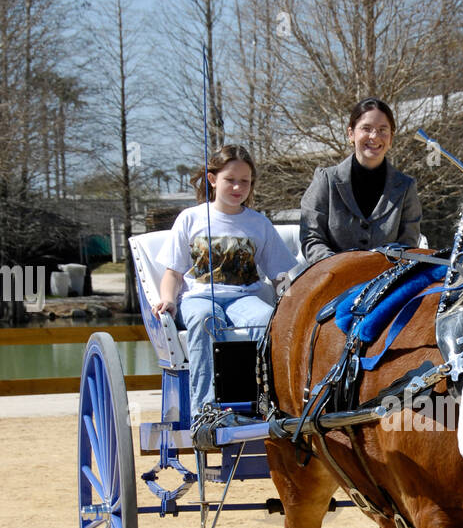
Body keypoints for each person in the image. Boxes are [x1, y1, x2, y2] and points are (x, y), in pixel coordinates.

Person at [154, 144, 294, 447]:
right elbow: (174, 273)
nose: (237, 187)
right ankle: (206, 412)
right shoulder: (190, 218)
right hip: (201, 297)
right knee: (207, 320)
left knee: (263, 321)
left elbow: (280, 275)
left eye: (245, 181)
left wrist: (289, 300)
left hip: (246, 296)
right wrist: (168, 299)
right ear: (212, 179)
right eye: (231, 179)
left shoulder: (258, 223)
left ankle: (263, 405)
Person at [300, 97, 422, 265]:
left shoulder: (406, 187)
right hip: (333, 279)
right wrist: (340, 269)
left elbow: (408, 247)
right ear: (351, 134)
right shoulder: (326, 181)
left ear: (391, 138)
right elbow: (311, 238)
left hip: (385, 284)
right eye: (366, 128)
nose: (374, 136)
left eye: (382, 129)